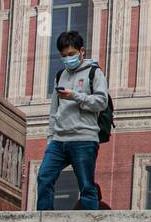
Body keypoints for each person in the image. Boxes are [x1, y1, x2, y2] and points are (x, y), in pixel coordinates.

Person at [36, 31, 109, 211]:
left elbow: (101, 102)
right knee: (44, 176)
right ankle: (43, 220)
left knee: (86, 185)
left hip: (84, 138)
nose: (68, 59)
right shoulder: (60, 75)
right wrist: (50, 138)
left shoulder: (94, 72)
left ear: (81, 51)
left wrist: (75, 96)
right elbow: (54, 110)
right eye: (63, 56)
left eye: (71, 54)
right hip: (59, 140)